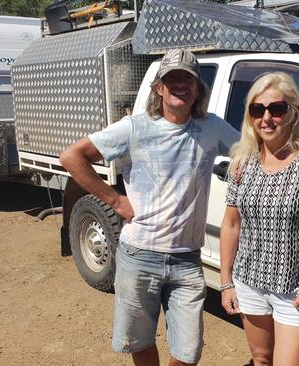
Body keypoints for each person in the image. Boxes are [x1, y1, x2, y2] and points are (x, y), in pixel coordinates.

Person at [59, 48, 239, 366]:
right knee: (139, 341)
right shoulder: (135, 127)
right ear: (159, 87)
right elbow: (72, 157)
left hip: (186, 261)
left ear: (198, 88)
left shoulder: (212, 127)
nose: (181, 84)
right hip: (139, 256)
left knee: (188, 351)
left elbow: (251, 154)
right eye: (173, 78)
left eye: (188, 78)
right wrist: (114, 200)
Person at [219, 72, 299, 366]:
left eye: (276, 109)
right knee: (261, 359)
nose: (267, 118)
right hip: (249, 283)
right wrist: (226, 282)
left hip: (297, 290)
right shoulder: (242, 161)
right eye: (257, 109)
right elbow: (231, 224)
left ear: (293, 112)